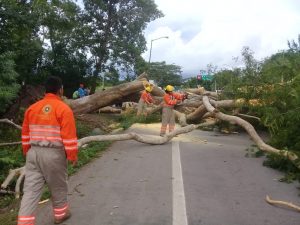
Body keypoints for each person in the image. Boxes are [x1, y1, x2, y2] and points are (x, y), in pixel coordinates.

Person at [18, 76, 78, 225]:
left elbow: (25, 134)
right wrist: (72, 156)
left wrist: (27, 151)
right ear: (60, 90)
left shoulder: (32, 108)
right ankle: (61, 214)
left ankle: (24, 222)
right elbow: (69, 136)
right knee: (58, 186)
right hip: (54, 155)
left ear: (46, 90)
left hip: (33, 154)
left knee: (31, 190)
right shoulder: (64, 109)